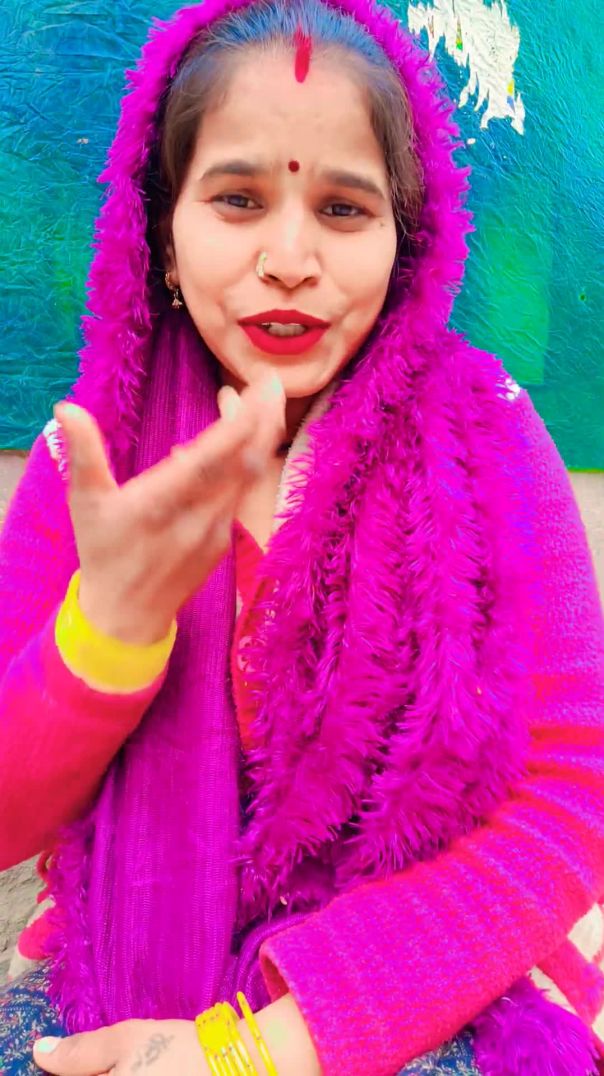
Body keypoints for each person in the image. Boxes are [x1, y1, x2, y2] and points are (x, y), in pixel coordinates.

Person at [1, 0, 603, 1072]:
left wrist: (257, 1051)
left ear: (407, 241)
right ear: (164, 233)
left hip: (410, 994)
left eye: (342, 208)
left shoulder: (493, 444)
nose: (289, 259)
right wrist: (111, 630)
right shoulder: (90, 464)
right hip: (112, 982)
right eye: (237, 199)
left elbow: (568, 799)